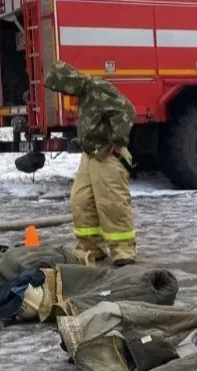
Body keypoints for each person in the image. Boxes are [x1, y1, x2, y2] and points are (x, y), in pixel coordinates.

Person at [43, 61, 137, 266]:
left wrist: (118, 141)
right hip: (89, 154)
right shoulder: (84, 93)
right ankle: (91, 248)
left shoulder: (97, 88)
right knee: (81, 201)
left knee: (111, 202)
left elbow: (127, 110)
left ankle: (123, 250)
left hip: (106, 154)